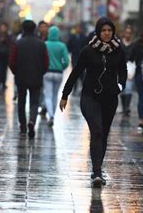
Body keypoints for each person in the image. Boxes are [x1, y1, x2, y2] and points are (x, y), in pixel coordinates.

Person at [60, 17, 127, 188]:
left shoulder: (119, 50)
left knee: (103, 134)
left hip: (110, 99)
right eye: (103, 30)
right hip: (90, 97)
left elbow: (123, 71)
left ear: (113, 32)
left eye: (109, 31)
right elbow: (75, 73)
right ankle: (97, 172)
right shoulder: (88, 50)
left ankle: (98, 167)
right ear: (98, 32)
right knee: (96, 130)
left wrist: (120, 86)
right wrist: (65, 95)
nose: (106, 33)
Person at [9, 20, 49, 138]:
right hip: (36, 77)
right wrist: (41, 72)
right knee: (35, 102)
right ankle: (32, 121)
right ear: (35, 29)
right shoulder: (41, 44)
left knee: (21, 102)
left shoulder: (18, 43)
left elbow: (11, 61)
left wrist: (15, 72)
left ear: (23, 29)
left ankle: (22, 126)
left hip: (21, 77)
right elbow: (46, 62)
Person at [44, 25, 70, 127]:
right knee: (55, 95)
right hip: (58, 73)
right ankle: (52, 115)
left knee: (48, 95)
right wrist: (61, 67)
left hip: (47, 72)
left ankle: (50, 115)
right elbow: (67, 61)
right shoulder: (62, 46)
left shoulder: (45, 44)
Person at [120, 25, 135, 116]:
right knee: (122, 88)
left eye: (129, 33)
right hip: (120, 67)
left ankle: (127, 107)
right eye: (126, 33)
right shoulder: (120, 44)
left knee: (129, 87)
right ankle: (124, 107)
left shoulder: (134, 44)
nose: (128, 35)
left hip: (130, 67)